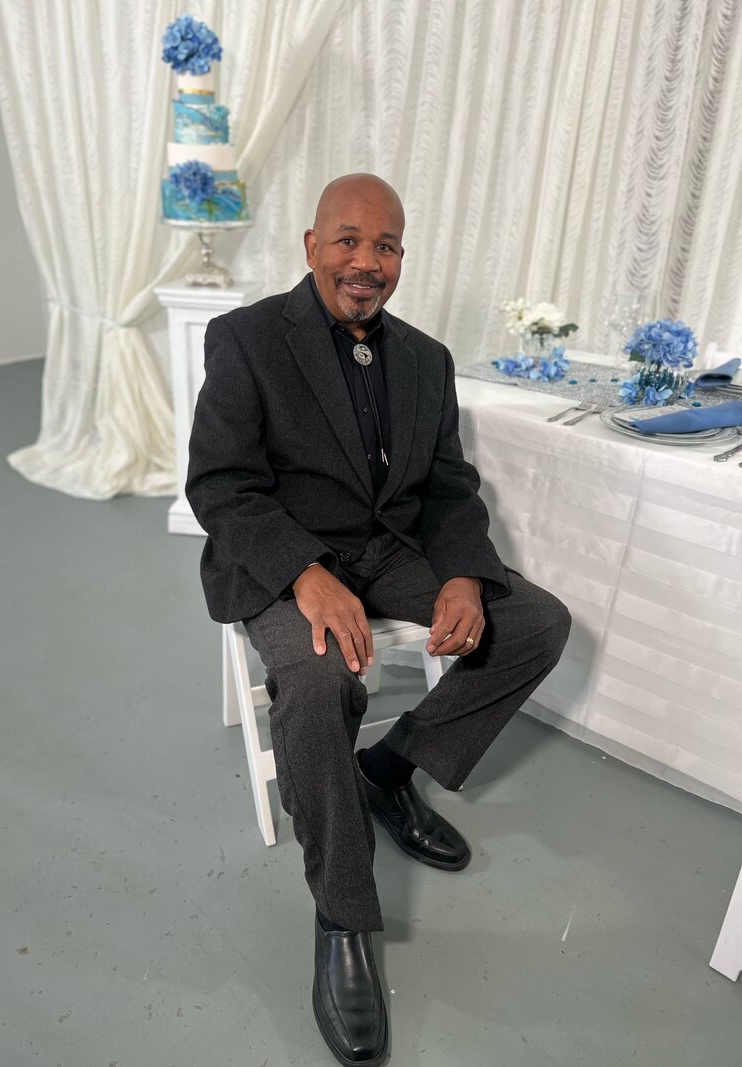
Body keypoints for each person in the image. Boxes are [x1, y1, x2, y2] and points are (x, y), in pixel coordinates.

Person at [186, 173, 571, 1066]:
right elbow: (220, 485)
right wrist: (306, 572)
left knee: (536, 623)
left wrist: (467, 575)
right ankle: (344, 918)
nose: (368, 262)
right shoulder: (246, 340)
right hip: (282, 556)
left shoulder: (428, 360)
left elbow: (447, 488)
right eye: (349, 240)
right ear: (311, 244)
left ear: (402, 256)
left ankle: (388, 770)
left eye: (386, 245)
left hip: (389, 548)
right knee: (320, 681)